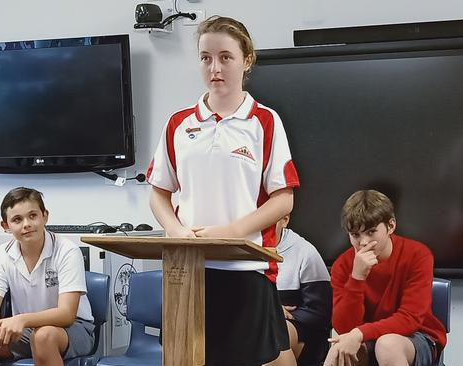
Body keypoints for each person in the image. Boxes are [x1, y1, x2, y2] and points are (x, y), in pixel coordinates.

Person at [146, 15, 301, 366]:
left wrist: (230, 233)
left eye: (225, 57)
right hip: (187, 269)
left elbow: (283, 198)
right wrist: (178, 232)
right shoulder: (178, 123)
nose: (214, 67)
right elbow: (159, 193)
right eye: (205, 57)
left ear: (246, 60)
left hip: (245, 268)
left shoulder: (265, 121)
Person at [0, 187, 94, 366]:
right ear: (5, 226)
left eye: (32, 216)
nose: (26, 224)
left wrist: (21, 319)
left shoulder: (67, 251)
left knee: (43, 336)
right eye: (17, 219)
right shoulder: (1, 254)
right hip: (26, 330)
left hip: (73, 329)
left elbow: (67, 314)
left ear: (45, 216)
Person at [325, 190, 447, 366]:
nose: (363, 243)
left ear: (391, 226)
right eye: (355, 235)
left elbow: (410, 319)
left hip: (416, 336)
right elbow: (344, 328)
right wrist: (357, 277)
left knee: (387, 345)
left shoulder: (418, 255)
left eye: (371, 232)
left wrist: (360, 333)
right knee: (338, 352)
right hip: (366, 336)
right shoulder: (342, 265)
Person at [275, 215, 332, 365]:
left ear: (284, 220)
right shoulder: (240, 250)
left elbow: (320, 313)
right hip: (256, 321)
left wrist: (274, 316)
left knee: (274, 336)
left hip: (300, 328)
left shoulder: (304, 252)